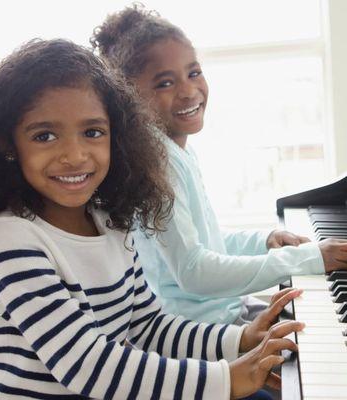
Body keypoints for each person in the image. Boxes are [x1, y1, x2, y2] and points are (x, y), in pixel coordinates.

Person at [0, 38, 303, 400]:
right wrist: (226, 379)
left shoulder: (110, 223)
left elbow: (146, 326)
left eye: (93, 132)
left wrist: (238, 339)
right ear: (7, 144)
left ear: (117, 137)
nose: (74, 154)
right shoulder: (7, 240)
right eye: (45, 135)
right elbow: (88, 365)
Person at [91, 4, 347, 325]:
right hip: (199, 332)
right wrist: (307, 258)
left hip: (224, 311)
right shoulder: (157, 165)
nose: (188, 91)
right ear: (128, 96)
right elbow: (194, 272)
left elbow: (201, 241)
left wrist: (263, 241)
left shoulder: (174, 151)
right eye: (164, 83)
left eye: (193, 73)